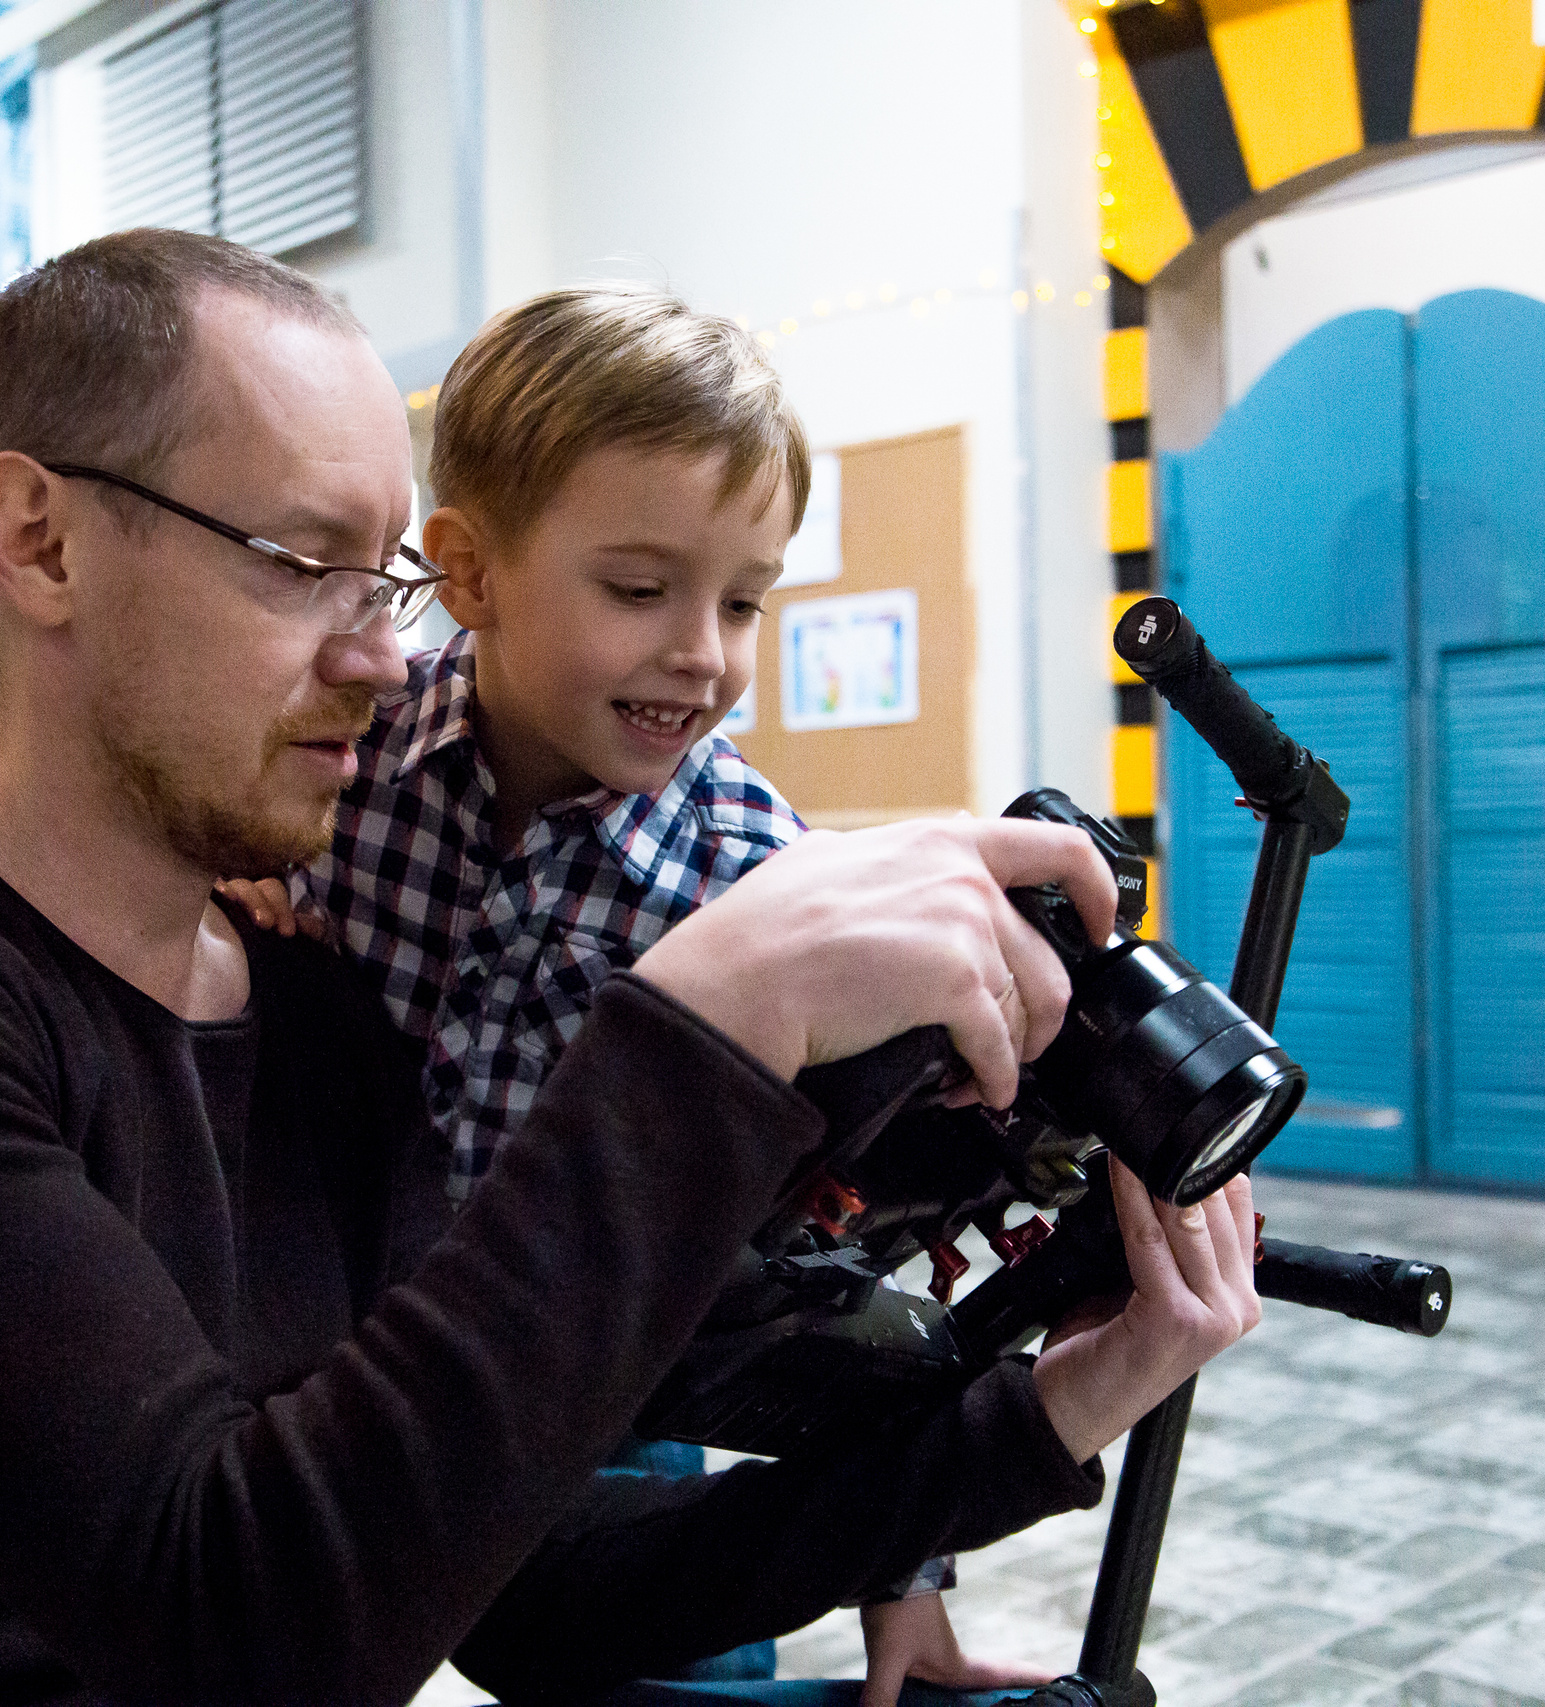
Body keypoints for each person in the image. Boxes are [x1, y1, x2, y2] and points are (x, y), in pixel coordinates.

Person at [0, 228, 1263, 1706]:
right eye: (307, 566)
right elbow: (239, 1630)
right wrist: (707, 1025)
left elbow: (519, 1593)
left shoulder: (312, 1021)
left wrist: (1049, 1412)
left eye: (382, 581)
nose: (387, 661)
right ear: (43, 542)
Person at [219, 285, 1021, 1700]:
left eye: (746, 601)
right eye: (640, 590)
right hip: (339, 1353)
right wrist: (236, 872)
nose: (702, 652)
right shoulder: (344, 752)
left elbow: (842, 1262)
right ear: (465, 574)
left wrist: (909, 1603)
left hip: (618, 1372)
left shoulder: (755, 873)